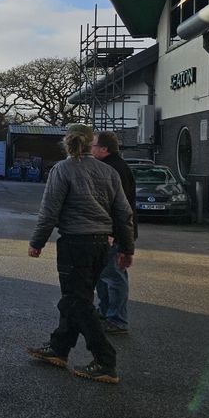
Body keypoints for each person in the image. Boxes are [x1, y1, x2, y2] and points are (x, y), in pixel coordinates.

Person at [26, 123, 134, 385]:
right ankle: (59, 349)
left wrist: (37, 241)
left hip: (75, 243)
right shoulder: (108, 172)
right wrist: (127, 248)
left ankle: (105, 360)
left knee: (76, 301)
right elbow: (123, 213)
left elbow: (49, 211)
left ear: (68, 141)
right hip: (101, 245)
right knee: (78, 297)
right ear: (90, 143)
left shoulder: (63, 169)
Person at [91, 131, 137, 334]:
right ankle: (106, 312)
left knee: (114, 276)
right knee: (103, 274)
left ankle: (117, 319)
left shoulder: (113, 169)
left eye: (93, 145)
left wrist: (118, 237)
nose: (90, 149)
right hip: (110, 232)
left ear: (104, 149)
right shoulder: (112, 166)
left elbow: (120, 208)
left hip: (113, 234)